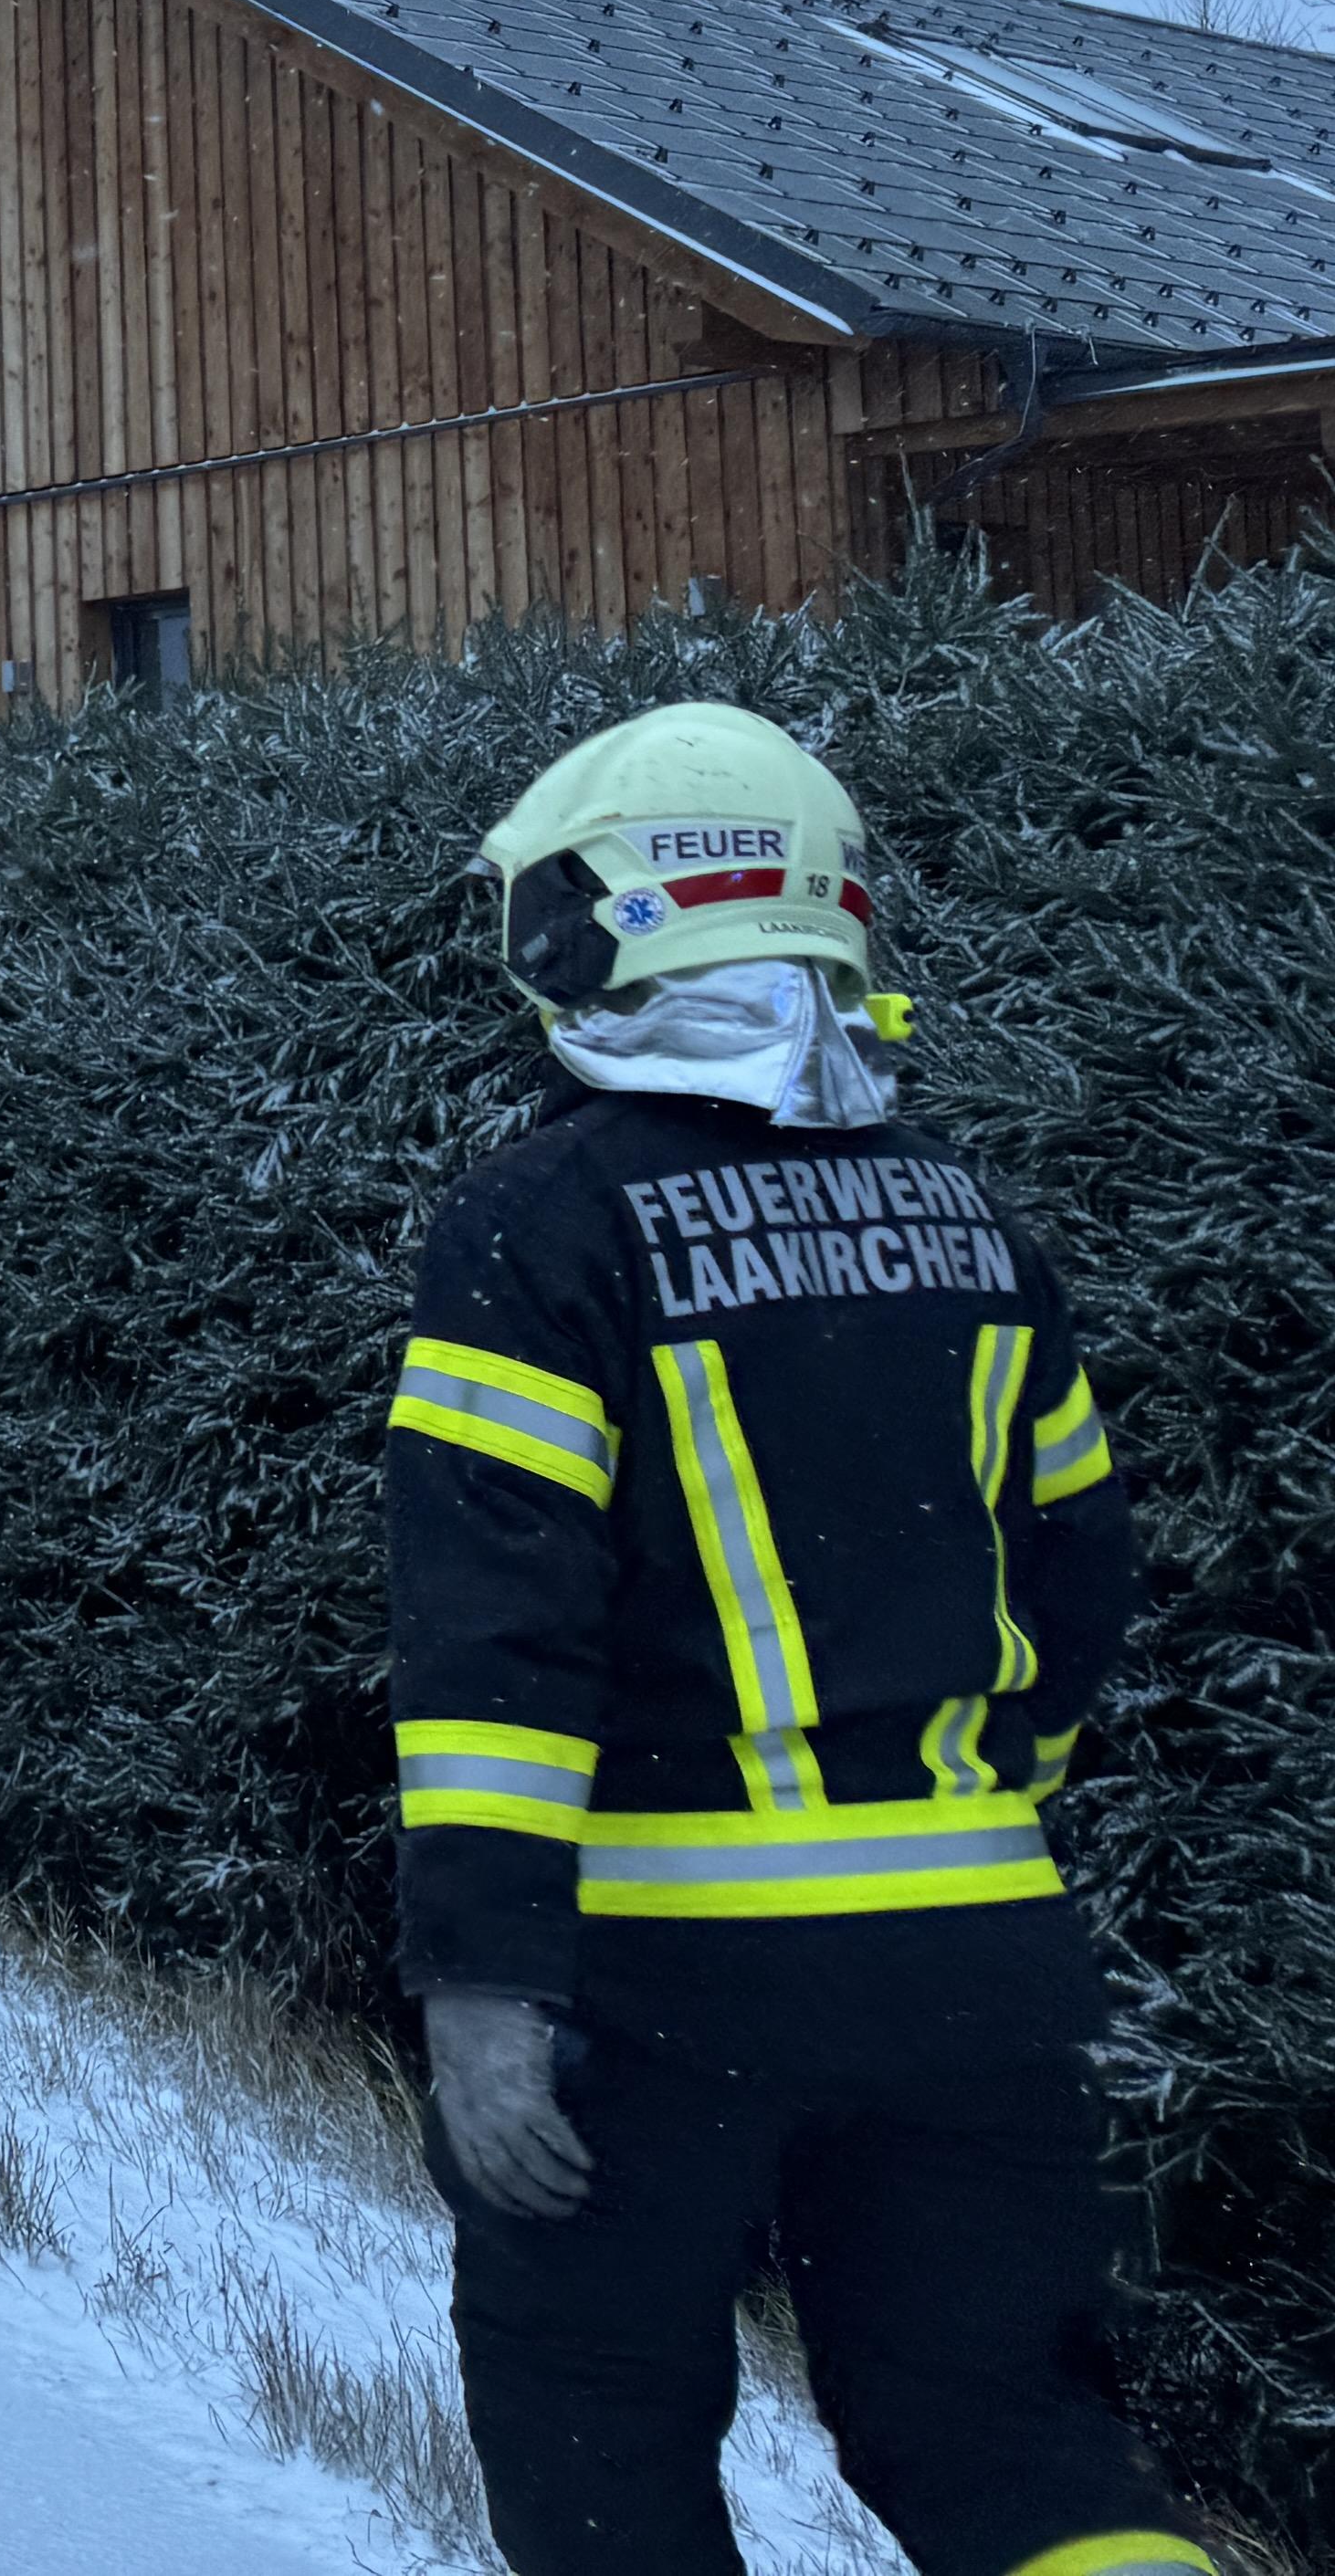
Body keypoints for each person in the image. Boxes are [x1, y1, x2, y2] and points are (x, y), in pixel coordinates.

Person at [394, 701, 1205, 2576]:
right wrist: (979, 1824)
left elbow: (494, 1645)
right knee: (1011, 2444)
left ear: (595, 928)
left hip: (655, 1983)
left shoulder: (539, 1229)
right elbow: (1079, 1581)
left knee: (598, 2434)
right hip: (981, 1969)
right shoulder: (969, 1219)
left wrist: (486, 1986)